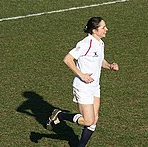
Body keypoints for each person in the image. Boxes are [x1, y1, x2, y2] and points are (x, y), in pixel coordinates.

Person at [46, 17, 119, 147]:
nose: (106, 29)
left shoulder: (100, 43)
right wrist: (82, 75)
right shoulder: (86, 43)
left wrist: (110, 66)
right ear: (94, 30)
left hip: (95, 86)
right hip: (83, 87)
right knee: (88, 120)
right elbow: (68, 59)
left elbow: (99, 60)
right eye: (103, 27)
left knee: (94, 120)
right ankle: (60, 115)